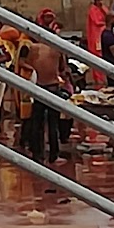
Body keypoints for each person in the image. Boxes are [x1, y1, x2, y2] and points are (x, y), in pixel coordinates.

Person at [22, 34, 68, 164]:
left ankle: (37, 154)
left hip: (38, 88)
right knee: (53, 123)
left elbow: (24, 63)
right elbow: (62, 69)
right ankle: (54, 154)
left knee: (37, 123)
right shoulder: (56, 49)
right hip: (53, 87)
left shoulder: (33, 49)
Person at [85, 0, 109, 78]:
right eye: (99, 0)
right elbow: (97, 22)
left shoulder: (102, 8)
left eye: (101, 0)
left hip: (102, 34)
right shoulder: (92, 10)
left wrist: (102, 7)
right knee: (97, 56)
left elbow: (108, 15)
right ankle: (98, 78)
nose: (100, 2)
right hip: (95, 36)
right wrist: (105, 23)